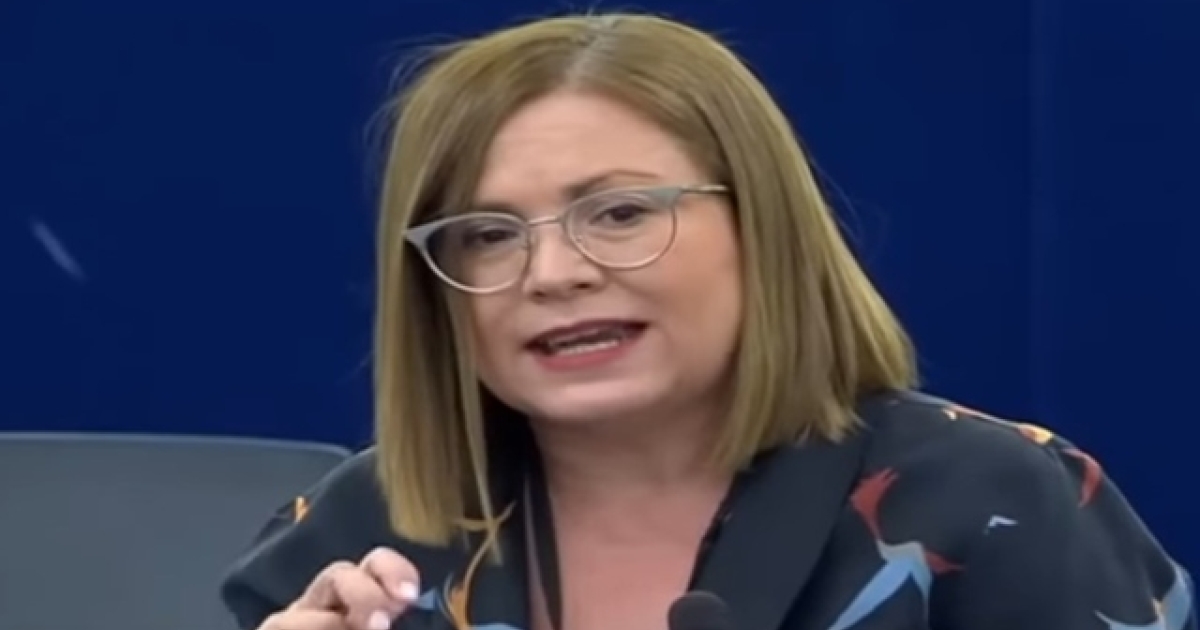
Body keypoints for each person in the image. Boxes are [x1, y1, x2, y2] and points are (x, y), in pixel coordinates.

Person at [220, 12, 1194, 630]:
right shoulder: (361, 529)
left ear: (762, 228)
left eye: (620, 214)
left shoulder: (993, 499)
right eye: (487, 235)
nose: (553, 274)